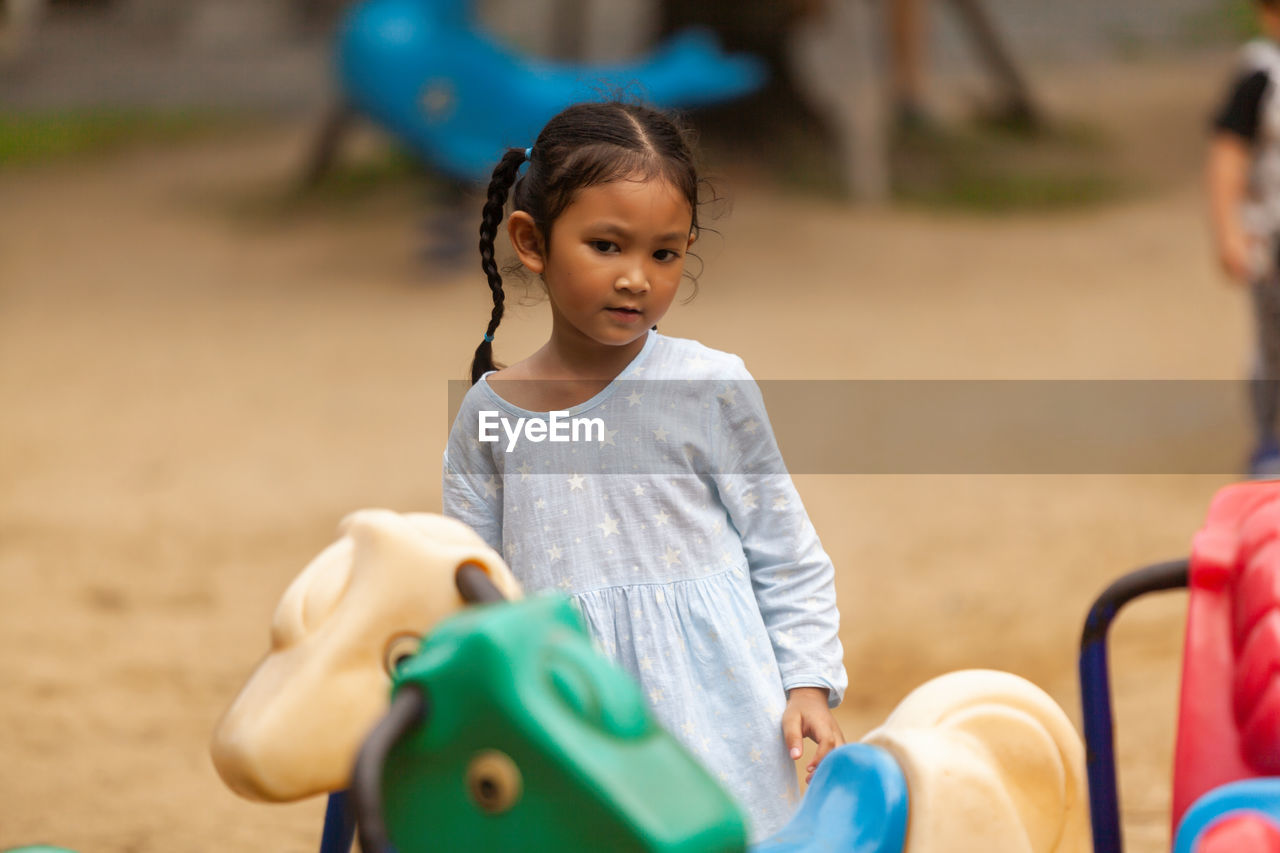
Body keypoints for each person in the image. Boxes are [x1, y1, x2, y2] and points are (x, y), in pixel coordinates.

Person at [441, 100, 847, 839]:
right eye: (606, 245)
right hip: (565, 711)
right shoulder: (488, 414)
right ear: (531, 242)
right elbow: (471, 588)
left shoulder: (708, 385)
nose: (637, 278)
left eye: (663, 254)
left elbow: (785, 549)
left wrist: (808, 682)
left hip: (718, 708)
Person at [1208, 0, 1280, 478]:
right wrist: (1228, 229)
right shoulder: (1261, 74)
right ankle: (1273, 441)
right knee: (1274, 343)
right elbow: (1228, 157)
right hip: (1272, 236)